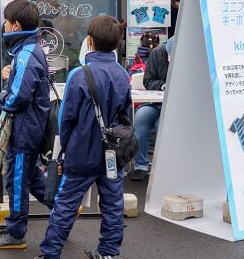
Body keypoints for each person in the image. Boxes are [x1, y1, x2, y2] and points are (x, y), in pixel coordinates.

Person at [36, 16, 131, 259]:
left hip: (82, 152)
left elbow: (66, 119)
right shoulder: (122, 74)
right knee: (112, 203)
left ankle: (51, 253)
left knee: (66, 203)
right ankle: (108, 252)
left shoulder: (79, 75)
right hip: (112, 154)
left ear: (89, 41)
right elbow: (126, 116)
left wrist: (65, 149)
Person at [0, 0, 52, 250]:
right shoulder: (28, 49)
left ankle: (15, 233)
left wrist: (1, 97)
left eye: (7, 21)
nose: (4, 25)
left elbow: (16, 98)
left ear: (16, 26)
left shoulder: (25, 54)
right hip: (29, 127)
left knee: (17, 179)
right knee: (30, 176)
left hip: (24, 129)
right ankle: (62, 209)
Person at [130, 36, 174, 181]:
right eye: (169, 58)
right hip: (155, 103)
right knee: (140, 118)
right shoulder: (157, 53)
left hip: (175, 106)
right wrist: (162, 85)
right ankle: (141, 165)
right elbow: (148, 81)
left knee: (163, 125)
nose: (170, 60)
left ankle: (167, 166)